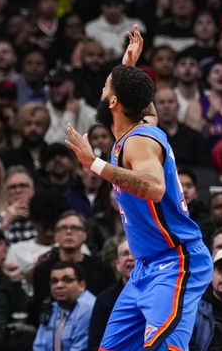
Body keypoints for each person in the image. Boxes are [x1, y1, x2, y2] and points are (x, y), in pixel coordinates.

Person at [65, 24, 213, 349]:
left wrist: (95, 164)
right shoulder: (142, 126)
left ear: (114, 100)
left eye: (106, 87)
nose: (102, 92)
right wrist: (127, 67)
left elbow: (154, 187)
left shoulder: (139, 143)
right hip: (145, 269)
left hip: (176, 262)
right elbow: (144, 106)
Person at [32, 262, 95, 351]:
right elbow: (39, 345)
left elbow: (79, 348)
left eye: (67, 280)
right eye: (54, 281)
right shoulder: (52, 306)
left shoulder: (88, 308)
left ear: (82, 285)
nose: (59, 285)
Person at [87, 235, 136, 351]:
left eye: (134, 253)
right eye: (125, 254)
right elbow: (95, 343)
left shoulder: (159, 293)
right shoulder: (104, 299)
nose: (130, 257)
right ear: (117, 264)